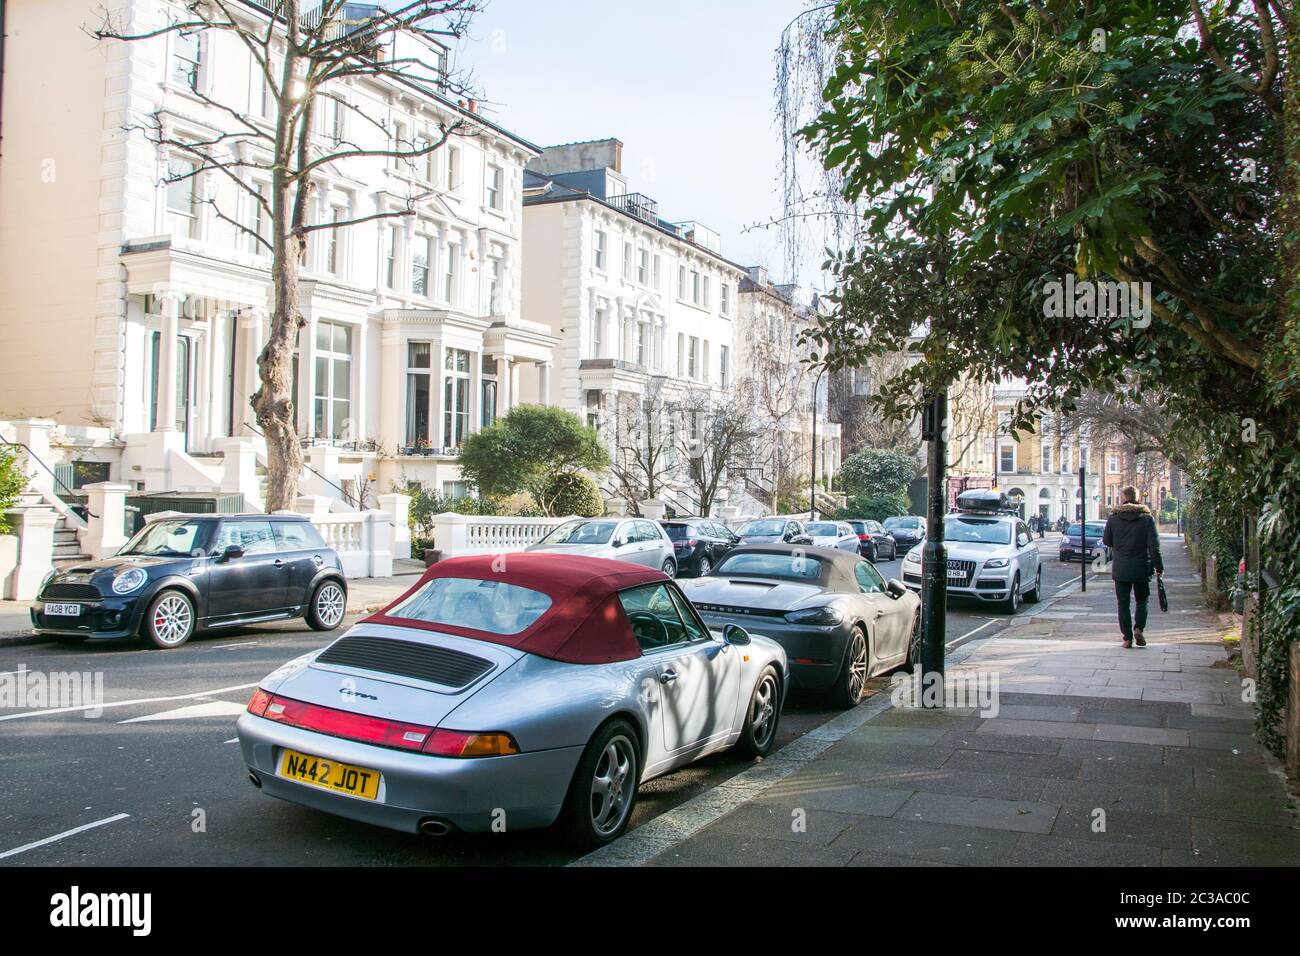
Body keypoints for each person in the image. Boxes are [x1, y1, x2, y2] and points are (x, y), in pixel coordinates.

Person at [1102, 485, 1164, 648]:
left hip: (1121, 567)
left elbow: (1107, 541)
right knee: (1142, 601)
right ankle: (1139, 629)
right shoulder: (1147, 518)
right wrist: (1159, 567)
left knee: (1123, 603)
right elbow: (1154, 546)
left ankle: (1127, 638)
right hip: (1142, 567)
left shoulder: (1113, 518)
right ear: (1138, 498)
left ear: (1123, 498)